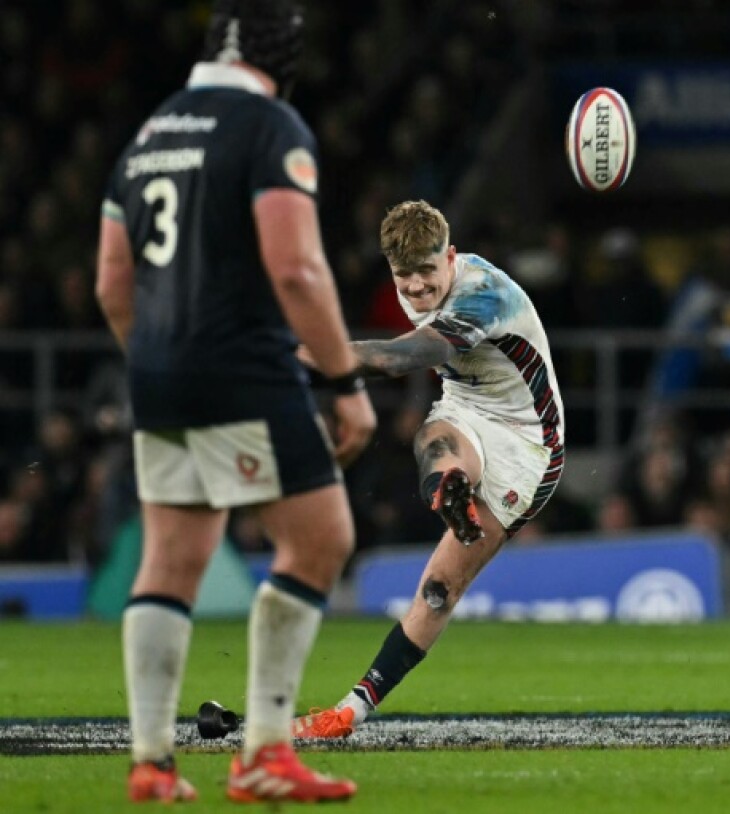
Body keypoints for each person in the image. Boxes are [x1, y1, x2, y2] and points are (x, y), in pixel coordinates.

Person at [95, 0, 376, 802]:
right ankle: (264, 750)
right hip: (241, 365)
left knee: (172, 559)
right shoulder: (268, 126)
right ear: (282, 57)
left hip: (154, 369)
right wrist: (343, 383)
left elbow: (113, 282)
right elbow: (296, 269)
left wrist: (157, 359)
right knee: (322, 538)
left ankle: (151, 762)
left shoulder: (148, 134)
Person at [292, 200, 565, 739]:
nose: (416, 288)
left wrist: (296, 361)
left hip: (529, 438)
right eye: (404, 277)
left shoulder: (483, 294)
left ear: (452, 257)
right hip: (467, 406)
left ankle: (451, 488)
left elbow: (398, 359)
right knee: (432, 438)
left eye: (426, 273)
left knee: (441, 586)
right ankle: (451, 489)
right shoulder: (420, 282)